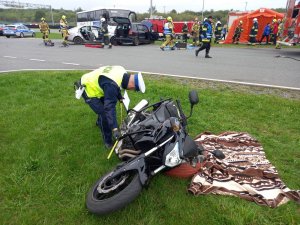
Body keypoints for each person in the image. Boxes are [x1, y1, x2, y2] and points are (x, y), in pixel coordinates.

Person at [75, 65, 146, 149]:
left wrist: (119, 96)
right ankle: (108, 142)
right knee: (104, 115)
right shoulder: (111, 85)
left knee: (103, 109)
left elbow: (117, 84)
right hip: (88, 89)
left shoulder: (122, 71)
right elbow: (109, 108)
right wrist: (115, 128)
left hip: (97, 84)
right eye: (134, 89)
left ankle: (99, 122)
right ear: (132, 84)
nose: (131, 90)